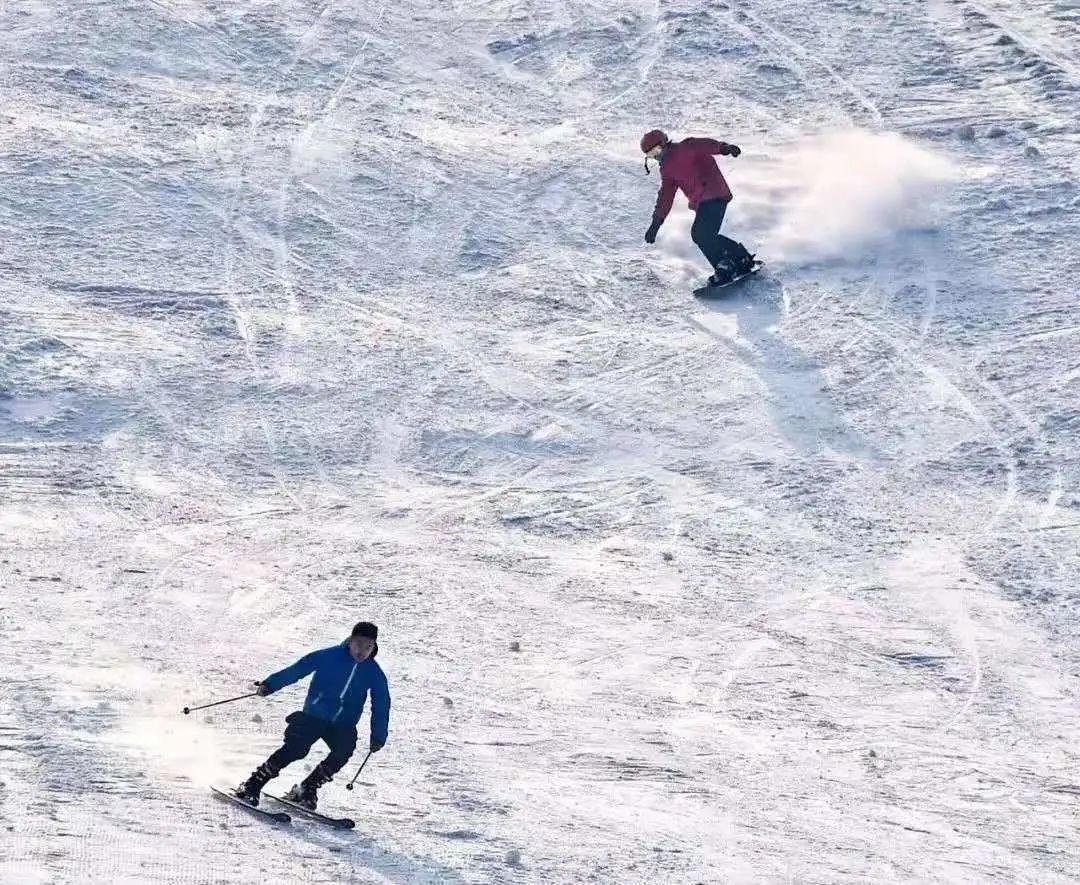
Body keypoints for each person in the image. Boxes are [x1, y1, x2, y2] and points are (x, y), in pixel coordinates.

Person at [234, 621, 391, 810]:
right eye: (358, 644)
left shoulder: (374, 672)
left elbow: (381, 704)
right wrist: (271, 684)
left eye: (368, 646)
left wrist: (378, 736)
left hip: (343, 724)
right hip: (313, 716)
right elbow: (299, 669)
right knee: (296, 748)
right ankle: (253, 785)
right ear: (350, 640)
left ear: (374, 647)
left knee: (343, 751)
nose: (362, 651)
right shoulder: (329, 656)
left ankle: (307, 788)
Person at [640, 129, 756, 286]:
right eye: (651, 155)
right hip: (703, 201)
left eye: (657, 150)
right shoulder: (666, 171)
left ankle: (727, 266)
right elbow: (665, 197)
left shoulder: (685, 147)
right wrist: (656, 223)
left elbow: (706, 145)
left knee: (701, 234)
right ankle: (739, 258)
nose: (657, 156)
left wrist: (724, 148)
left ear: (664, 143)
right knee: (704, 235)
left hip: (715, 192)